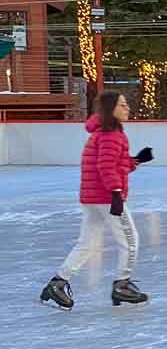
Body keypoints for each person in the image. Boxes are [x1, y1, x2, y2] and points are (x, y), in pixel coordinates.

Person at [40, 91, 153, 310]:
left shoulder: (103, 133)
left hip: (92, 197)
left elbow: (114, 164)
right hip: (106, 197)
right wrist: (116, 192)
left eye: (126, 103)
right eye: (122, 104)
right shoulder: (112, 135)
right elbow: (106, 168)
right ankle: (122, 284)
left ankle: (58, 283)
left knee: (88, 242)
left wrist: (136, 160)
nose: (127, 108)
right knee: (129, 241)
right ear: (111, 109)